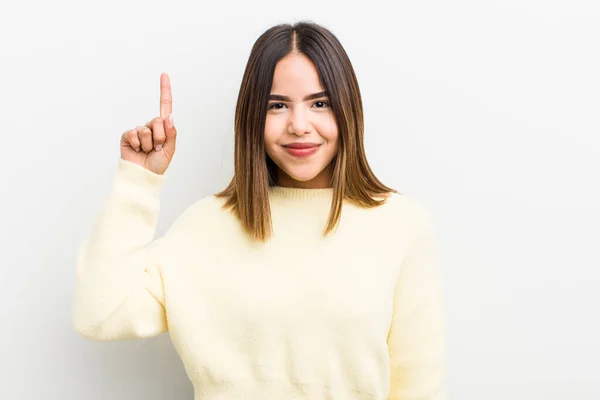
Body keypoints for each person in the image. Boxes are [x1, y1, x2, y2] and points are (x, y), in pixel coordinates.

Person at [73, 21, 446, 400]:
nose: (299, 126)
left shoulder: (401, 226)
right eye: (277, 105)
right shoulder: (205, 227)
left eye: (320, 103)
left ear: (348, 109)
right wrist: (138, 181)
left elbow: (418, 386)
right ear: (252, 115)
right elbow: (99, 314)